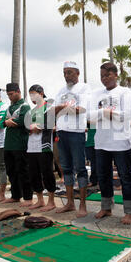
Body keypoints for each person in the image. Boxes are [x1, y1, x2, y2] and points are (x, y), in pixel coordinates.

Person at [90, 62, 131, 225]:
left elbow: (126, 115)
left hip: (120, 141)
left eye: (108, 75)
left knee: (125, 176)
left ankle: (129, 211)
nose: (104, 78)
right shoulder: (96, 93)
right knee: (103, 175)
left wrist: (103, 114)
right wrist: (104, 112)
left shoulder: (124, 92)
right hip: (101, 141)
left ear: (116, 75)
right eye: (102, 76)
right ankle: (106, 207)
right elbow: (89, 117)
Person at [54, 61, 91, 218]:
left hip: (76, 132)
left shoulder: (84, 88)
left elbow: (81, 109)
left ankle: (82, 204)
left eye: (69, 72)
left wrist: (62, 108)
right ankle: (70, 203)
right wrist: (64, 108)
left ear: (77, 73)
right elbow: (53, 110)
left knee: (80, 169)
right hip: (62, 131)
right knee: (66, 168)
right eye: (64, 72)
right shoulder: (61, 90)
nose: (66, 75)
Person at [0, 83, 32, 206]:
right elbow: (2, 122)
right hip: (8, 144)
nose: (10, 97)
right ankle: (15, 195)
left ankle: (28, 197)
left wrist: (10, 122)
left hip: (20, 144)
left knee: (23, 171)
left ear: (18, 92)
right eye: (8, 95)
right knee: (11, 171)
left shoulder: (24, 106)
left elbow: (24, 121)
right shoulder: (9, 108)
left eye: (11, 94)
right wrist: (7, 122)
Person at [26, 84, 57, 211]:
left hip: (44, 145)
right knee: (33, 173)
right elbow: (27, 126)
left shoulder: (49, 107)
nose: (32, 97)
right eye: (30, 95)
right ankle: (40, 200)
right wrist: (29, 127)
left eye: (34, 94)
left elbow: (53, 125)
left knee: (47, 172)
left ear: (41, 93)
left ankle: (51, 201)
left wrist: (39, 126)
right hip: (31, 146)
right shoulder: (31, 111)